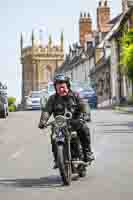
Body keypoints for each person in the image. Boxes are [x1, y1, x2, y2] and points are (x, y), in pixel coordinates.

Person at [38, 74, 95, 168]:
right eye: (58, 88)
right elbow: (47, 111)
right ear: (55, 88)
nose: (61, 90)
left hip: (76, 122)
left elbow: (84, 104)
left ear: (67, 86)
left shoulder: (75, 95)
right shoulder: (53, 99)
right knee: (53, 137)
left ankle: (87, 152)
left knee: (84, 129)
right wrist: (43, 121)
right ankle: (57, 159)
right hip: (60, 124)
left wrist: (86, 115)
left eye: (63, 87)